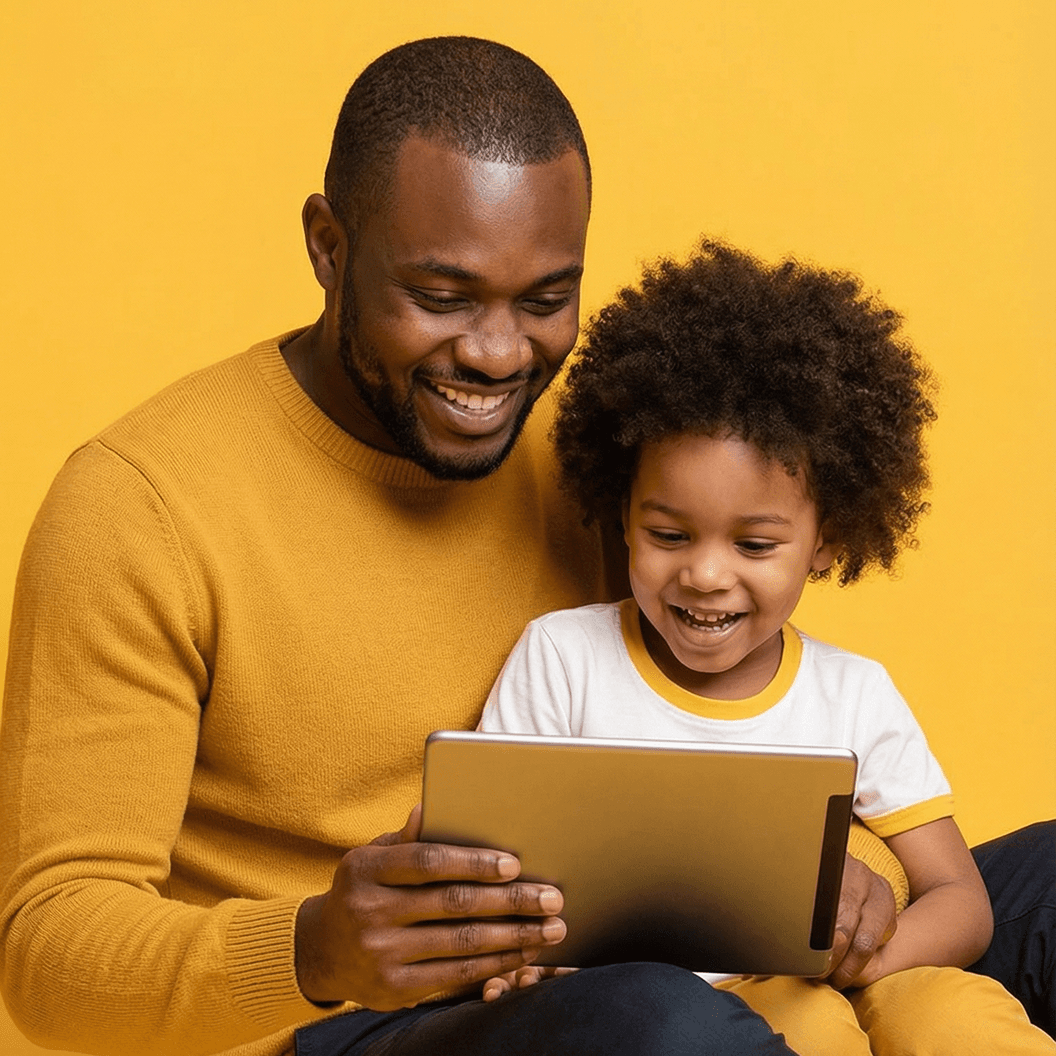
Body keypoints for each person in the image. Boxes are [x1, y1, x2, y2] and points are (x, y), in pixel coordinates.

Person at [0, 35, 1049, 1056]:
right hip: (360, 1022)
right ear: (329, 246)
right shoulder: (142, 508)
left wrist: (839, 868)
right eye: (441, 297)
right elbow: (48, 960)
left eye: (546, 300)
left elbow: (743, 705)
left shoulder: (609, 461)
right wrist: (316, 945)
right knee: (656, 1024)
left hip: (667, 949)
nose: (499, 355)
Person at [477, 241, 1056, 1052]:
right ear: (621, 512)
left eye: (755, 546)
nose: (706, 575)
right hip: (646, 1017)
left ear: (828, 540)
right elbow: (492, 871)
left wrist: (863, 956)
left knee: (951, 1016)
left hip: (825, 985)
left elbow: (960, 898)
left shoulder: (849, 695)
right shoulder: (564, 659)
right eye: (668, 533)